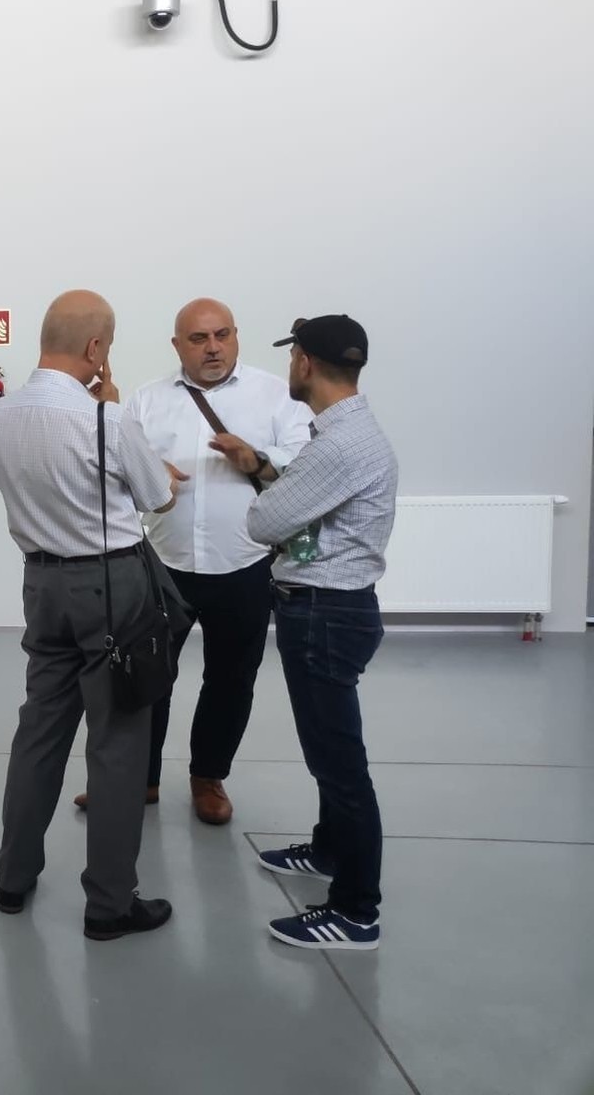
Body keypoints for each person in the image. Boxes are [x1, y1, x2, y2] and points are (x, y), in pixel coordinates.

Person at [0, 289, 179, 941]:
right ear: (97, 348)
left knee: (40, 728)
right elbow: (156, 497)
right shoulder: (107, 419)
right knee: (118, 741)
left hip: (41, 584)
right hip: (112, 585)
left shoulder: (0, 417)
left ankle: (13, 877)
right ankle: (110, 903)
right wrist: (113, 413)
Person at [72, 300, 311, 824]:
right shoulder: (146, 401)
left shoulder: (276, 395)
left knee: (231, 680)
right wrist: (147, 467)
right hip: (162, 566)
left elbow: (306, 462)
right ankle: (139, 779)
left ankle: (208, 777)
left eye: (222, 335)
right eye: (199, 339)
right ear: (177, 345)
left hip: (244, 564)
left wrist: (257, 460)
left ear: (236, 335)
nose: (213, 348)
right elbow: (115, 469)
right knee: (145, 678)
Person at [244, 315, 397, 951]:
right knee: (328, 754)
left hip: (325, 612)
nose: (290, 366)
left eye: (292, 356)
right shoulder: (347, 432)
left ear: (305, 362)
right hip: (331, 608)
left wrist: (267, 491)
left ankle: (356, 912)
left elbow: (263, 522)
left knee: (339, 765)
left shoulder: (338, 446)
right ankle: (330, 851)